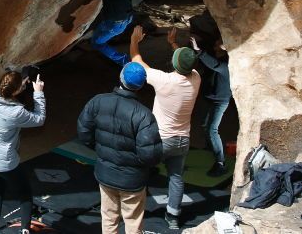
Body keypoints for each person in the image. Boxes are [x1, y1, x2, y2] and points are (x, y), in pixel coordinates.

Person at [77, 62, 163, 234]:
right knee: (133, 223)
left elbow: (84, 133)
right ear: (140, 85)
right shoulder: (144, 115)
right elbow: (150, 155)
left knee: (108, 219)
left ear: (121, 78)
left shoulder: (98, 101)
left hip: (105, 173)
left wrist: (101, 150)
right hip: (132, 180)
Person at [130, 25, 201, 230]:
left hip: (160, 139)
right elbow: (186, 62)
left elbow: (137, 62)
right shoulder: (196, 78)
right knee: (176, 178)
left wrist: (135, 41)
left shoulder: (165, 80)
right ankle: (173, 217)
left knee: (139, 170)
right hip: (182, 140)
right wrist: (173, 43)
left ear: (174, 63)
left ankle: (134, 212)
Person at [0, 70, 47, 234]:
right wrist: (38, 93)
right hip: (5, 162)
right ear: (16, 90)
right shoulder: (17, 112)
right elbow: (39, 118)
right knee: (24, 194)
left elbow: (7, 94)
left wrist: (19, 86)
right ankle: (25, 230)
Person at [168, 28, 231, 177]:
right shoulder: (215, 55)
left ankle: (220, 163)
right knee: (206, 125)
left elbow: (214, 65)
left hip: (220, 101)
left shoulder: (228, 64)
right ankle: (212, 148)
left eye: (218, 45)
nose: (215, 46)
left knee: (212, 129)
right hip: (210, 97)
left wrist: (198, 50)